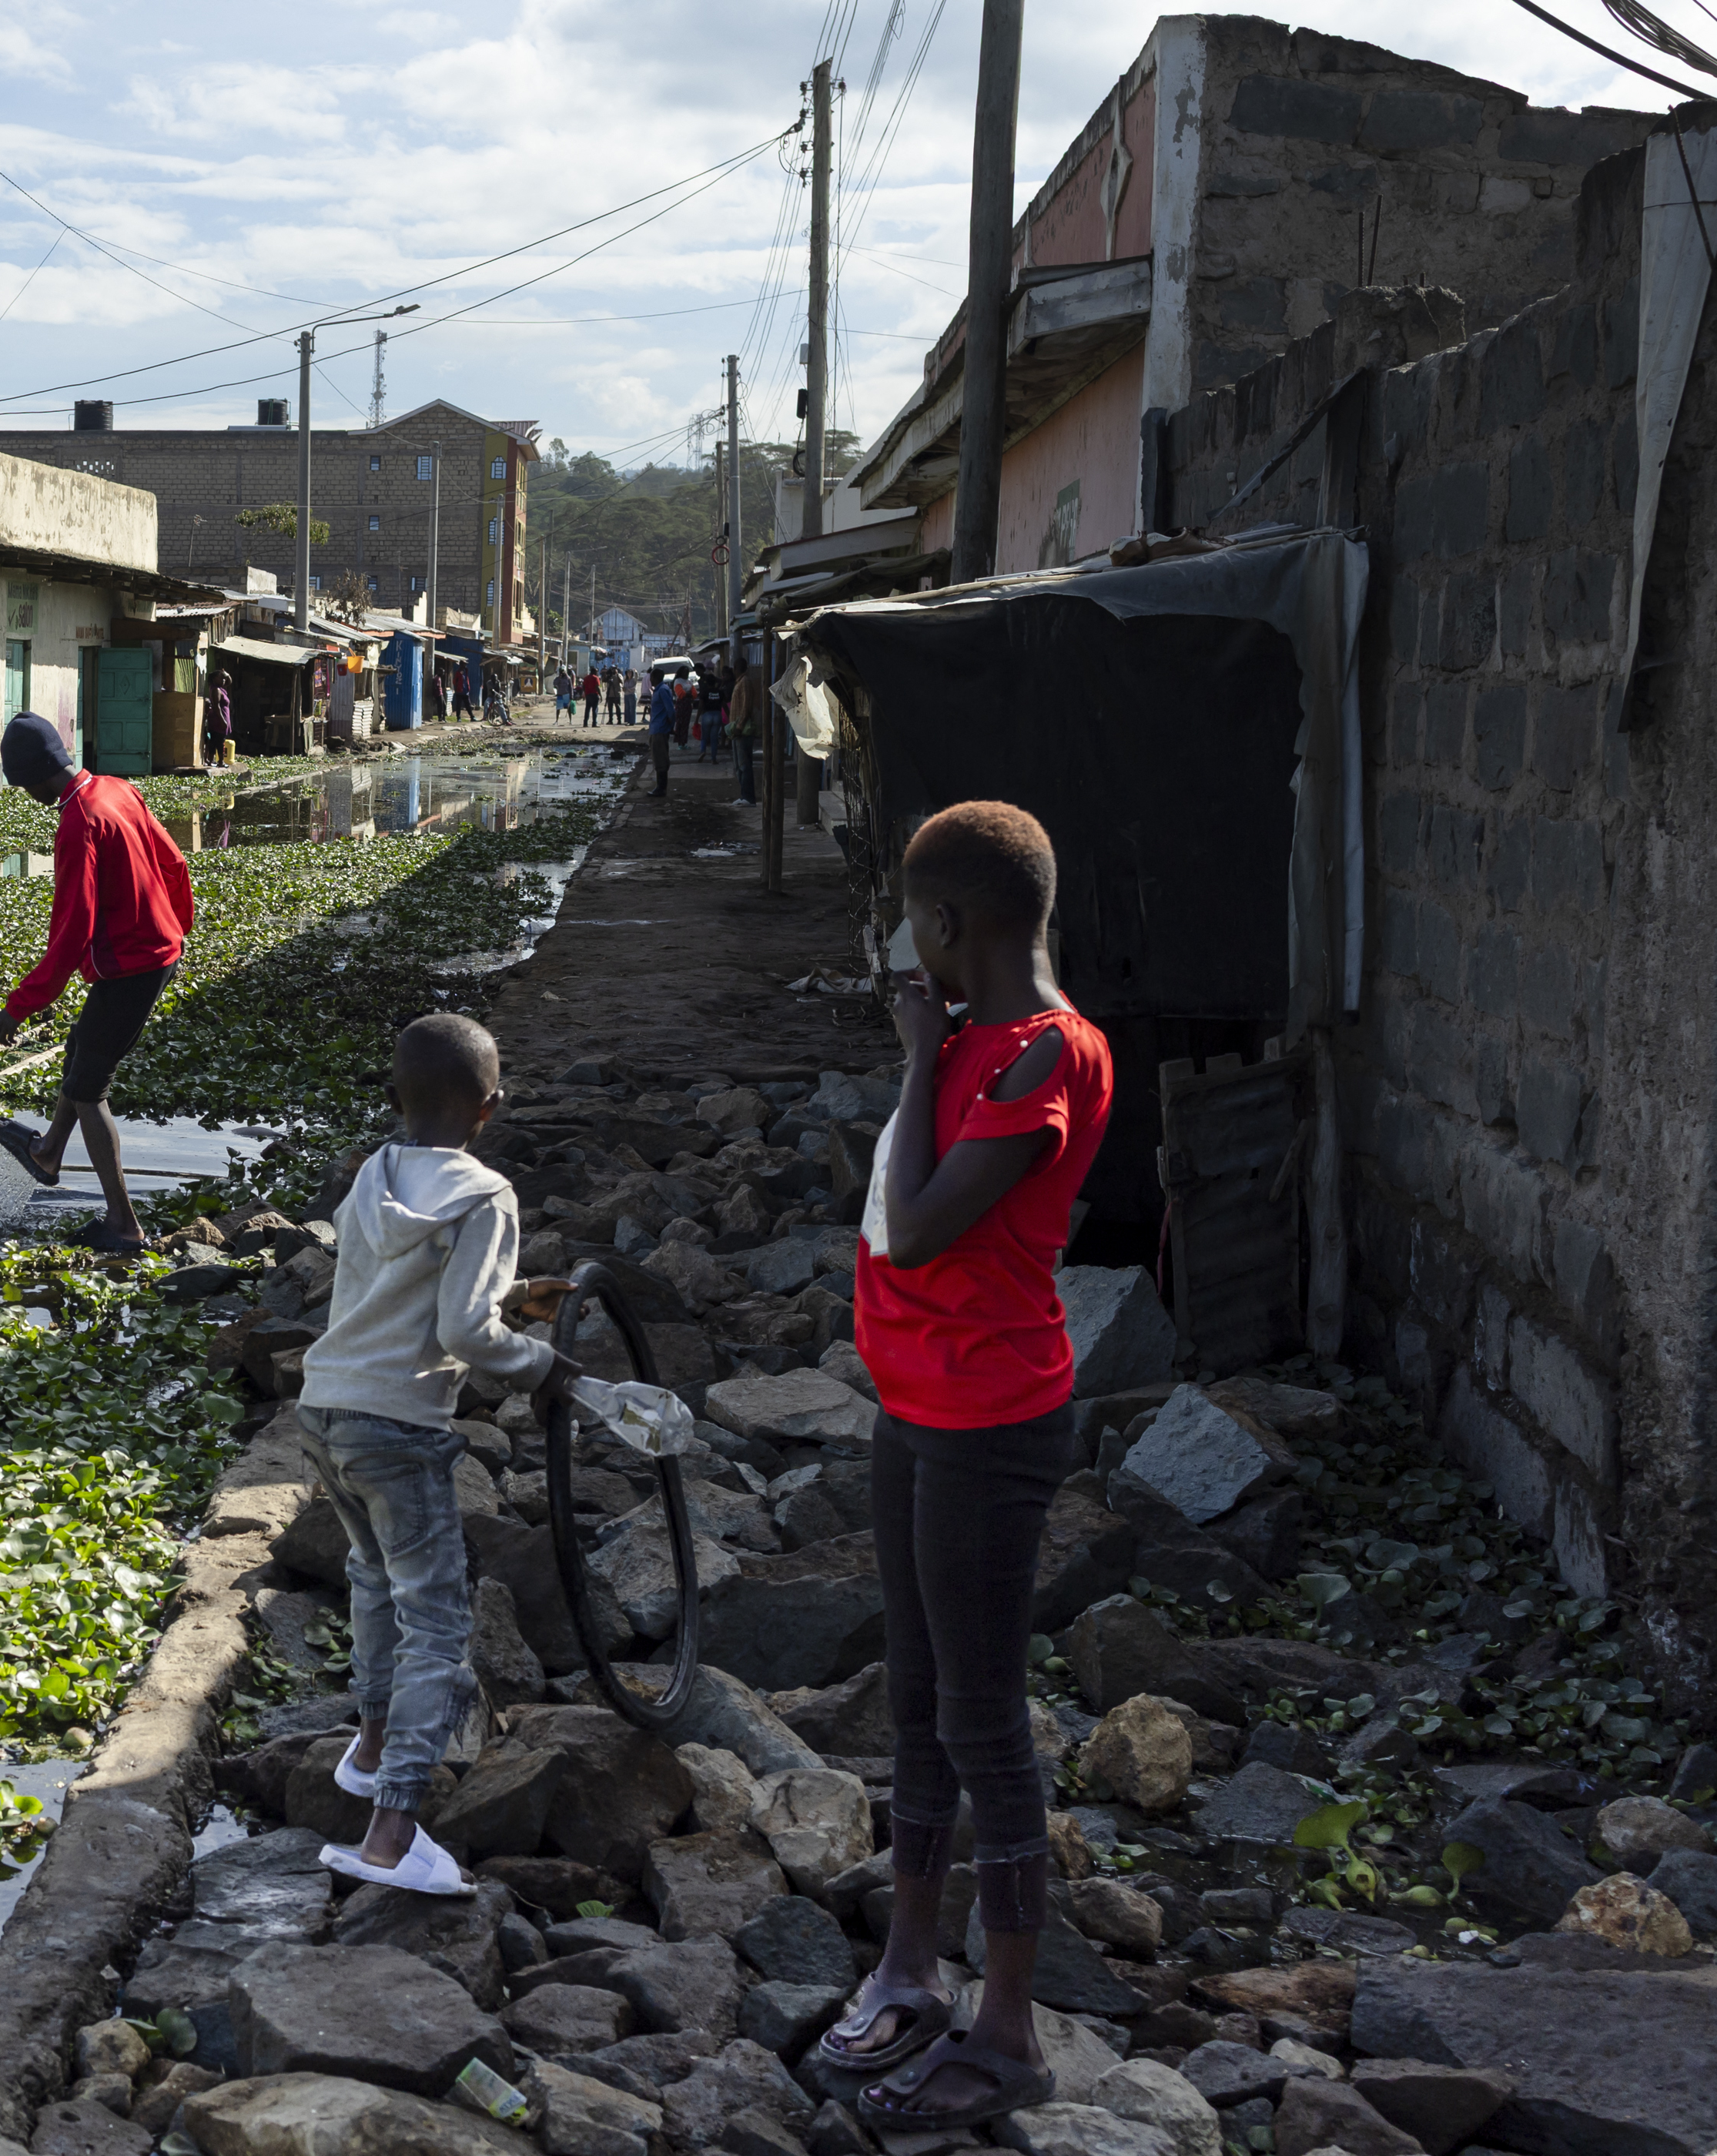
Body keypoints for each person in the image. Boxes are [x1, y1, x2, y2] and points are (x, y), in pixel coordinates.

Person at [822, 802, 1116, 2133]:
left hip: (991, 1420)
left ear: (949, 927)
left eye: (916, 924)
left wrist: (911, 1057)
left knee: (983, 1715)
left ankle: (1009, 2030)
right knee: (922, 1688)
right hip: (916, 1403)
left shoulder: (1047, 1054)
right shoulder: (974, 1045)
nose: (909, 949)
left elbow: (927, 1230)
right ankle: (909, 1958)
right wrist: (935, 1048)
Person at [294, 1013, 580, 1893]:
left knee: (374, 1579)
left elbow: (396, 1288)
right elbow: (462, 1327)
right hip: (398, 1425)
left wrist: (516, 1298)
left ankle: (371, 1747)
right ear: (490, 1109)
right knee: (438, 1626)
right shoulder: (486, 1194)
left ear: (394, 1099)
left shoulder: (373, 1174)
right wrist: (538, 1363)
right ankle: (392, 1829)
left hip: (326, 1406)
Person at [0, 712, 196, 1254]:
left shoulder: (78, 823)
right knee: (81, 1048)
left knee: (88, 1089)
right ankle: (48, 1152)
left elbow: (72, 930)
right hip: (152, 952)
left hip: (135, 965)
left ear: (32, 779)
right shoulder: (116, 789)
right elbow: (173, 861)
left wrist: (21, 1005)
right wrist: (177, 927)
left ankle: (124, 1225)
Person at [727, 655, 761, 805]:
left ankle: (748, 797)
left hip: (743, 730)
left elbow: (747, 706)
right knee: (739, 766)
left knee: (744, 765)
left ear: (736, 669)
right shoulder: (740, 682)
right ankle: (744, 795)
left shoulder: (745, 682)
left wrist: (740, 726)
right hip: (737, 730)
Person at [645, 667, 678, 796]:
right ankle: (660, 787)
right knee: (658, 758)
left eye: (651, 678)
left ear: (655, 678)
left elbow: (671, 710)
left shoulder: (662, 690)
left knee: (660, 759)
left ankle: (661, 788)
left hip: (660, 729)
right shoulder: (659, 690)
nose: (650, 680)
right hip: (656, 728)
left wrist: (671, 726)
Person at [207, 671, 238, 767]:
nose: (223, 680)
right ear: (214, 679)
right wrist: (222, 720)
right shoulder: (216, 690)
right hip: (218, 719)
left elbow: (229, 682)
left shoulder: (221, 688)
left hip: (221, 718)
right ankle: (219, 761)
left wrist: (227, 675)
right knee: (218, 741)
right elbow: (217, 706)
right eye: (221, 678)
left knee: (218, 740)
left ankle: (213, 761)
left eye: (224, 678)